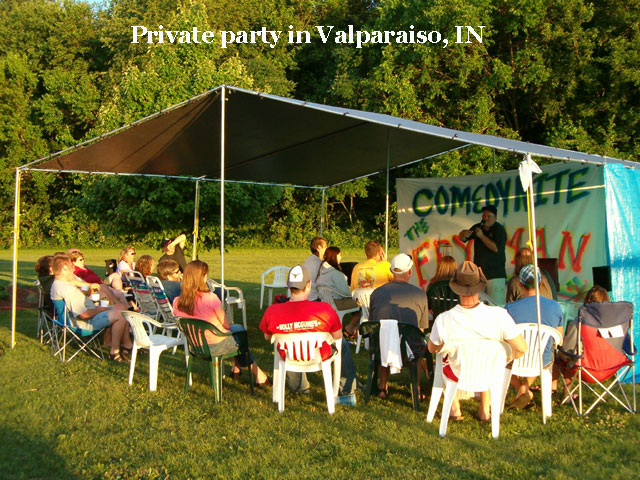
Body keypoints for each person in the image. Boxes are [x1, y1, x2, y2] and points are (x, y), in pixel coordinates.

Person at [428, 261, 527, 421]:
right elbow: (521, 347)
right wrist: (508, 356)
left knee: (444, 358)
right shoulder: (499, 315)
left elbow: (432, 348)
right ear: (479, 286)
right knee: (490, 361)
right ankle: (484, 410)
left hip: (457, 374)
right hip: (489, 373)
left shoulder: (444, 319)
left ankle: (454, 408)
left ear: (456, 287)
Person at [259, 265, 359, 397]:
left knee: (285, 346)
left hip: (290, 356)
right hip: (318, 355)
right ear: (309, 285)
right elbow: (337, 336)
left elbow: (267, 337)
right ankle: (347, 388)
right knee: (343, 344)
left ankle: (299, 388)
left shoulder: (272, 311)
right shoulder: (324, 309)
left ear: (288, 285)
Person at [173, 260, 269, 385]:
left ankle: (237, 368)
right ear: (202, 277)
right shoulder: (210, 298)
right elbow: (227, 325)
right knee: (240, 334)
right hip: (217, 345)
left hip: (195, 346)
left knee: (237, 330)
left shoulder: (177, 301)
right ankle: (258, 374)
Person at [49, 255, 133, 362]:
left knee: (121, 308)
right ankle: (114, 351)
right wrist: (103, 308)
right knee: (121, 315)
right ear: (64, 268)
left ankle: (127, 345)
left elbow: (84, 295)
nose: (74, 269)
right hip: (81, 324)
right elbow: (84, 315)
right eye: (71, 266)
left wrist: (96, 302)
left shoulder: (59, 283)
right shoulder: (66, 289)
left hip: (76, 317)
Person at [369, 253, 429, 399]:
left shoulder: (376, 293)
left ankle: (382, 386)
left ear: (391, 270)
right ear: (409, 272)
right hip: (409, 349)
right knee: (416, 341)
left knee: (384, 337)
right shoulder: (419, 294)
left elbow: (373, 324)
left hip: (381, 348)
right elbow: (421, 330)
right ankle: (417, 388)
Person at [504, 264, 564, 409]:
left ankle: (522, 388)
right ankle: (525, 388)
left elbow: (504, 337)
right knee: (545, 350)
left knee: (502, 357)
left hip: (516, 359)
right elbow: (558, 339)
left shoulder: (510, 309)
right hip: (542, 359)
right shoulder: (555, 307)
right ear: (541, 283)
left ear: (520, 284)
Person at [554, 285, 610, 387]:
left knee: (563, 357)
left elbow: (568, 348)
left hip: (587, 368)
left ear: (587, 301)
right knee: (571, 357)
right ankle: (561, 391)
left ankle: (555, 388)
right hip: (609, 367)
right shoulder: (614, 322)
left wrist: (560, 353)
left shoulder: (579, 322)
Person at [458, 205, 507, 305]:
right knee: (479, 305)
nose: (485, 219)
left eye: (489, 216)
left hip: (495, 276)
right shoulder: (478, 227)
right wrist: (462, 234)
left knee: (496, 306)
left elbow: (496, 248)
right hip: (479, 276)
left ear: (495, 218)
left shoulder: (499, 230)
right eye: (484, 216)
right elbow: (463, 239)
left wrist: (481, 236)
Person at [302, 236, 327, 301]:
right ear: (319, 248)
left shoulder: (308, 260)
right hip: (315, 298)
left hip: (306, 297)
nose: (327, 249)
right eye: (325, 247)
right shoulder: (319, 263)